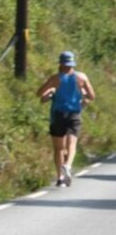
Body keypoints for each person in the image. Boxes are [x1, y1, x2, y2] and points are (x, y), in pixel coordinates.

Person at [35, 51, 96, 187]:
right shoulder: (82, 78)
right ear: (72, 63)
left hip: (58, 114)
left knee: (58, 148)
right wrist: (83, 95)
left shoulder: (55, 78)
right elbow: (92, 96)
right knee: (72, 145)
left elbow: (39, 94)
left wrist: (51, 92)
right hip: (74, 113)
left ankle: (60, 177)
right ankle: (67, 165)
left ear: (60, 64)